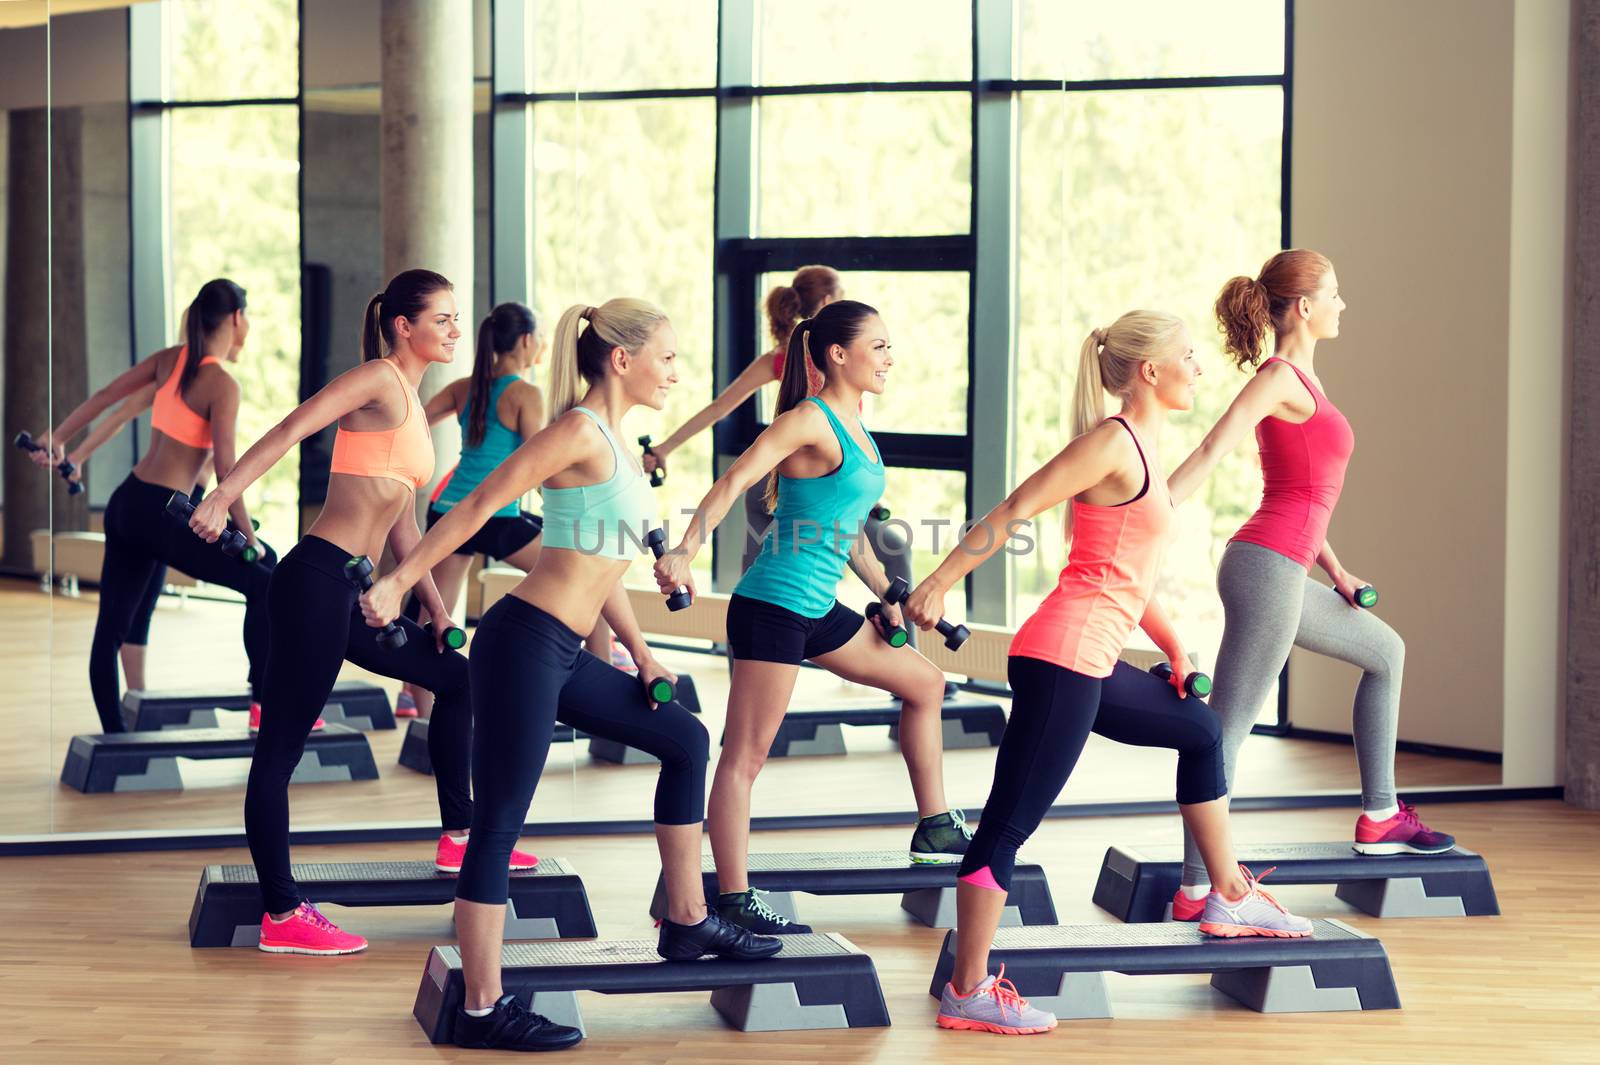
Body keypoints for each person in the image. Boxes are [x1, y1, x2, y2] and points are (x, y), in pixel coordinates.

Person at [361, 297, 781, 1053]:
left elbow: (601, 567)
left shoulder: (614, 446)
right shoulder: (575, 432)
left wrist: (642, 650)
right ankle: (481, 1009)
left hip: (560, 648)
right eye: (669, 357)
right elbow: (476, 505)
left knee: (684, 738)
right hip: (522, 644)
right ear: (621, 359)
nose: (676, 374)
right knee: (499, 823)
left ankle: (687, 920)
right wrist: (400, 581)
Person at [903, 310, 1313, 1037]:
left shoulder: (1147, 452)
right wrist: (939, 582)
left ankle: (1226, 892)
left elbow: (1128, 576)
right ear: (1149, 371)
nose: (1199, 365)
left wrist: (1177, 648)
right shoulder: (1111, 444)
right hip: (1061, 660)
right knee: (1006, 827)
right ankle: (966, 989)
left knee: (1199, 728)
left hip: (1090, 659)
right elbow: (1016, 507)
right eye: (1188, 355)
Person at [189, 269, 535, 956]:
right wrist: (222, 495)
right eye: (442, 319)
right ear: (403, 326)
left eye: (457, 319)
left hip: (353, 588)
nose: (456, 331)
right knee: (282, 748)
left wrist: (432, 602)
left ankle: (458, 833)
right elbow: (293, 425)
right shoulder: (377, 378)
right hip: (315, 579)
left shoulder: (411, 396)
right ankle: (282, 913)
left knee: (455, 678)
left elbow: (402, 518)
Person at [653, 299, 969, 938]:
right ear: (837, 355)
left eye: (888, 345)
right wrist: (687, 548)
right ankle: (735, 897)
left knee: (925, 684)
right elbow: (735, 480)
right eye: (877, 346)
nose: (889, 357)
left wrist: (888, 594)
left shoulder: (857, 426)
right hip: (772, 606)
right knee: (745, 756)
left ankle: (935, 823)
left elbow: (848, 534)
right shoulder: (810, 420)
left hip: (818, 608)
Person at [1165, 250, 1454, 910]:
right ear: (1302, 307)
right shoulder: (1278, 379)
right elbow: (1214, 445)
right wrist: (1155, 507)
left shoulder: (1306, 383)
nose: (1342, 305)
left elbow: (1303, 492)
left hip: (1289, 567)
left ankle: (1381, 815)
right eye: (1334, 294)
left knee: (1386, 653)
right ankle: (1194, 886)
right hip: (1264, 569)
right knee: (1225, 730)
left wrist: (1339, 569)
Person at [29, 279, 271, 732]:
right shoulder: (222, 384)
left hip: (128, 502)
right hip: (165, 510)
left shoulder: (169, 360)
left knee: (112, 629)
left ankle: (116, 737)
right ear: (237, 318)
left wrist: (58, 438)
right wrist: (250, 539)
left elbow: (107, 399)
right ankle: (264, 705)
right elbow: (226, 469)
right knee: (263, 582)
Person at [394, 301, 548, 719]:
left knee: (433, 616)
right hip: (495, 516)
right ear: (527, 341)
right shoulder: (525, 394)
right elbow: (542, 460)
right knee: (576, 574)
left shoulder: (467, 386)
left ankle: (420, 713)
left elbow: (414, 418)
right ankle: (607, 666)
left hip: (449, 510)